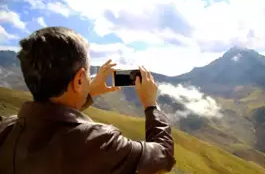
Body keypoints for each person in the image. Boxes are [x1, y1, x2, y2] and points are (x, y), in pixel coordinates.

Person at [0, 27, 176, 174]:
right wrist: (151, 105)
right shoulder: (99, 141)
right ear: (78, 80)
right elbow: (163, 155)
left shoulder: (6, 129)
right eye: (87, 74)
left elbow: (51, 120)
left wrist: (87, 93)